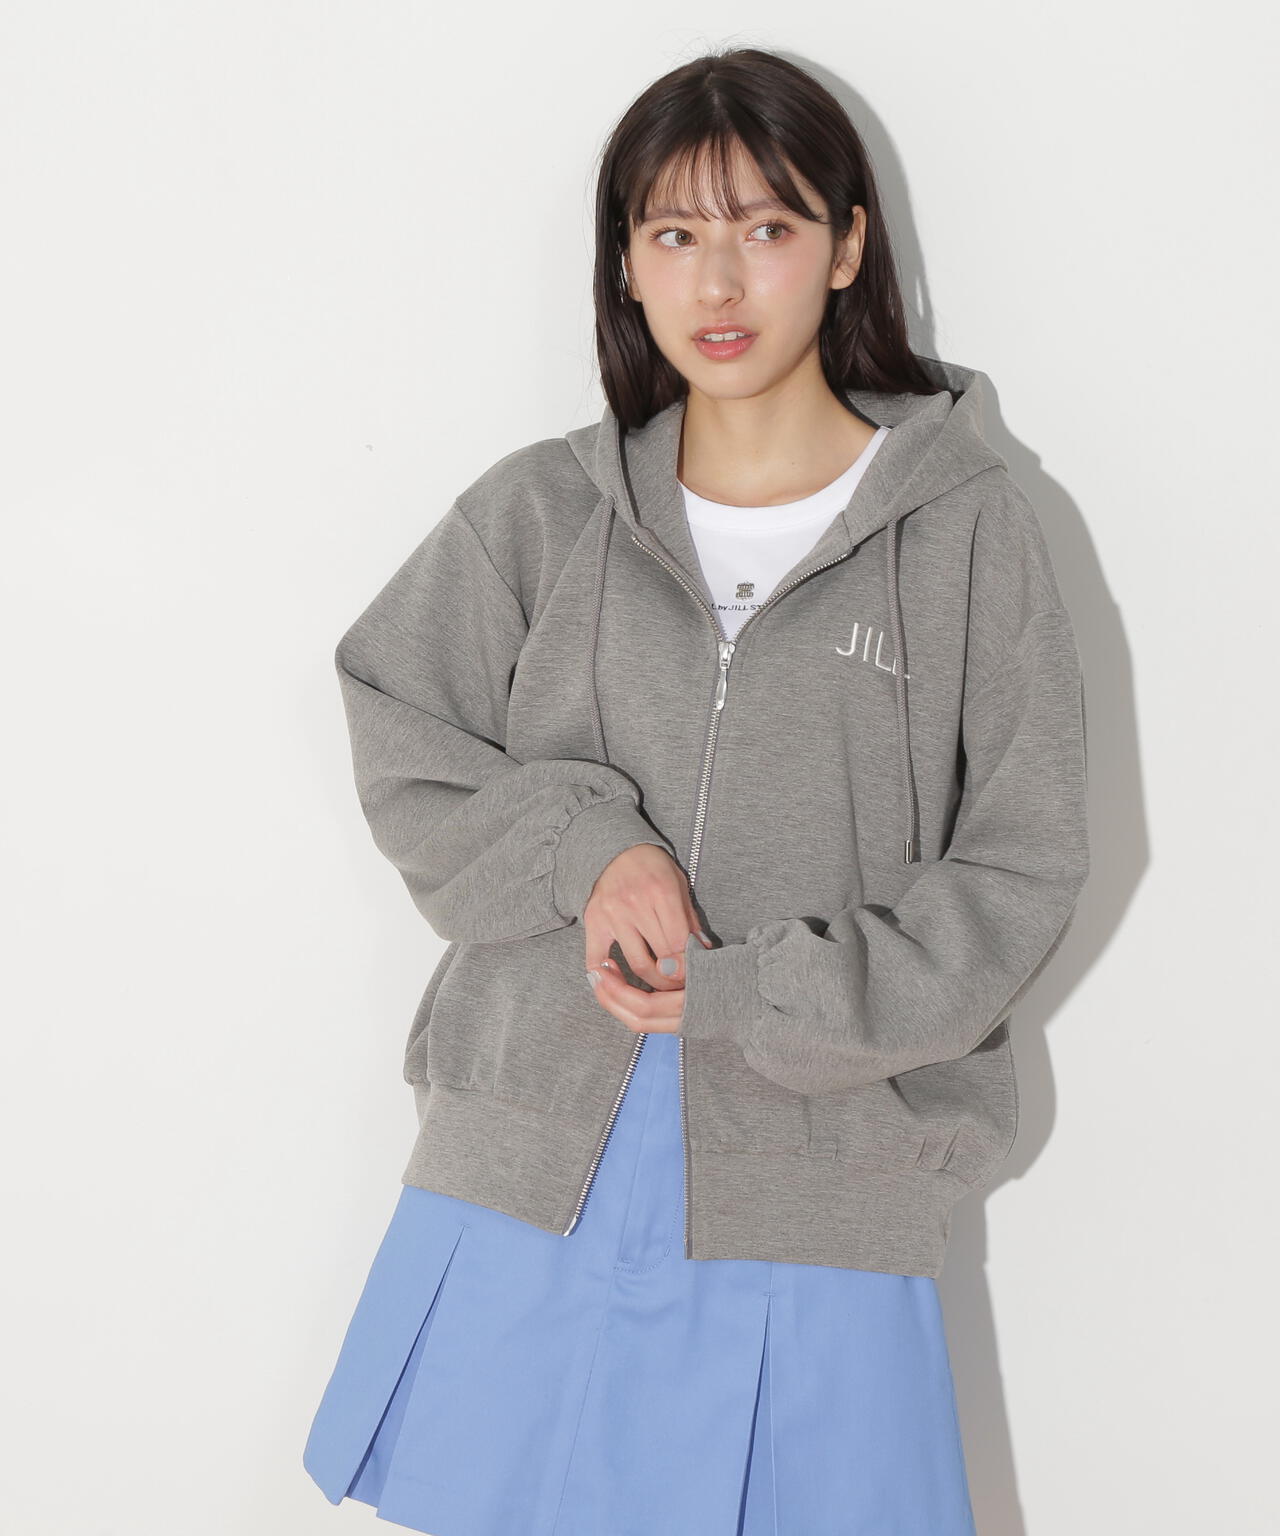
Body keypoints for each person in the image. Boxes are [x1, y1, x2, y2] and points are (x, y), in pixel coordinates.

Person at [302, 45, 1090, 1536]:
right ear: (627, 261)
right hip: (533, 1165)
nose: (718, 283)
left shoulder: (971, 535)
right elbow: (395, 714)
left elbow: (1022, 865)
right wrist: (584, 849)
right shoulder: (544, 511)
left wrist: (760, 992)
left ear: (847, 246)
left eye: (767, 227)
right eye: (674, 233)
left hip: (820, 1171)